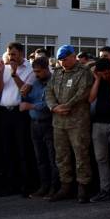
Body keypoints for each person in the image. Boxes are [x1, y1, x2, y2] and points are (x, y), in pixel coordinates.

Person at [45, 45, 93, 203]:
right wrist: (54, 107)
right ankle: (66, 186)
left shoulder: (84, 72)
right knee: (61, 155)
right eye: (60, 60)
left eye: (65, 59)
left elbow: (83, 92)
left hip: (77, 121)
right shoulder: (57, 72)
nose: (63, 63)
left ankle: (83, 187)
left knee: (81, 155)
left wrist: (66, 106)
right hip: (59, 121)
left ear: (73, 56)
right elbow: (49, 91)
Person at [0, 42, 36, 197]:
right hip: (5, 112)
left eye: (14, 54)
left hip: (21, 114)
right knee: (7, 149)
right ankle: (10, 184)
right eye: (9, 54)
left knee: (22, 149)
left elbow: (25, 91)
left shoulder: (30, 69)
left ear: (21, 55)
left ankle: (26, 185)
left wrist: (14, 72)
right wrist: (0, 72)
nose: (11, 57)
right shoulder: (3, 69)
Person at [20, 56, 59, 199]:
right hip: (34, 124)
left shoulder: (54, 82)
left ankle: (54, 188)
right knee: (40, 158)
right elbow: (27, 100)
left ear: (46, 69)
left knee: (52, 157)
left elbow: (50, 104)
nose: (36, 74)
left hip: (49, 123)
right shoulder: (34, 82)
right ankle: (44, 186)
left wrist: (30, 106)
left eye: (39, 71)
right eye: (35, 71)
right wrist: (24, 94)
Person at [88, 58, 110, 203]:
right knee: (101, 158)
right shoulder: (97, 79)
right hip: (98, 124)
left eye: (107, 73)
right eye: (102, 74)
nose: (105, 76)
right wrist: (97, 79)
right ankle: (104, 189)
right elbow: (91, 98)